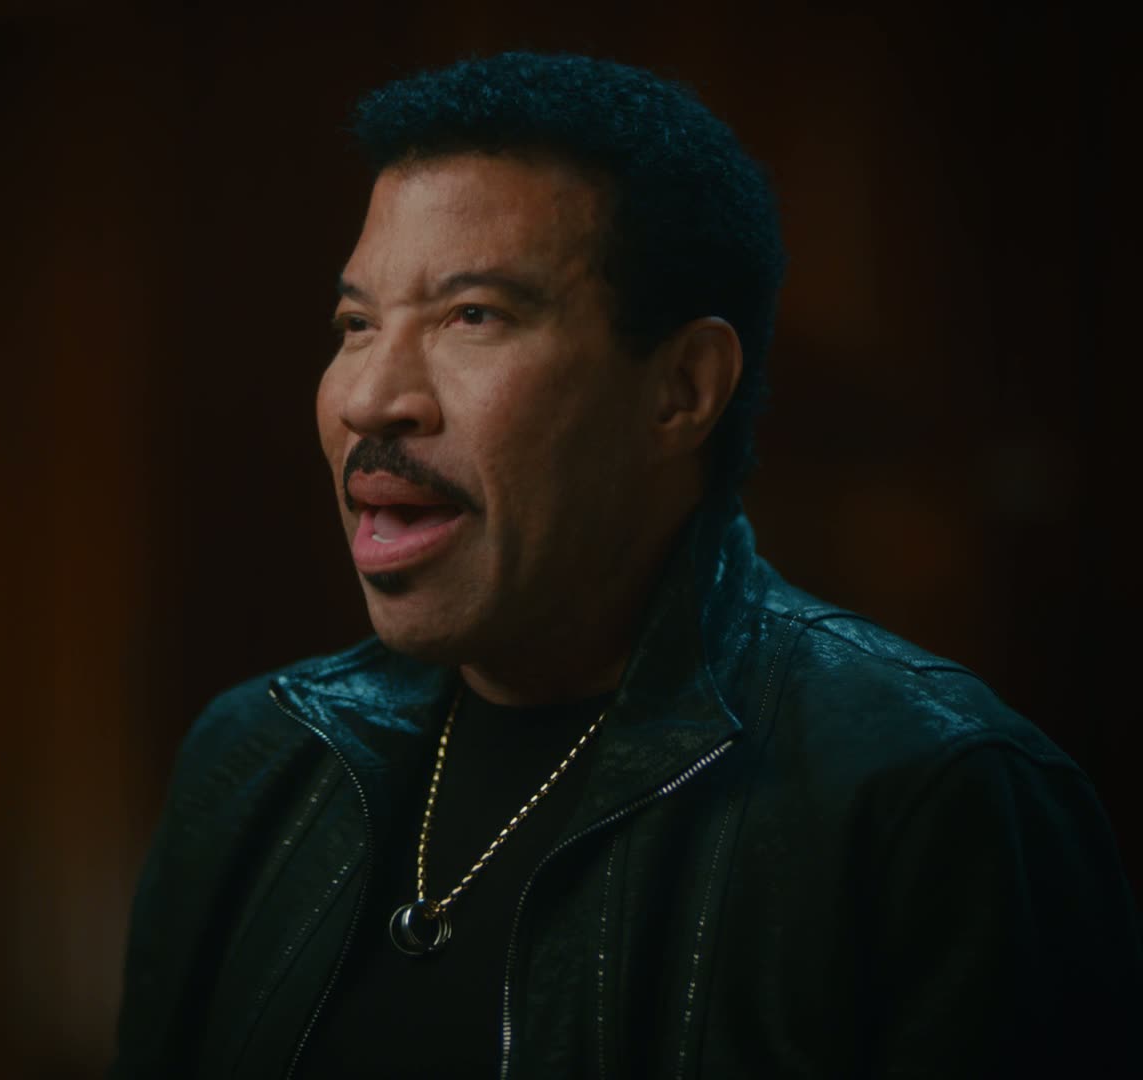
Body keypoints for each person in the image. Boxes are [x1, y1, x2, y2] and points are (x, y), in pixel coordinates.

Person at [111, 52, 1142, 1078]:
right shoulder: (256, 760)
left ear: (682, 389)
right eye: (356, 324)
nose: (373, 399)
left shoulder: (934, 798)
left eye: (474, 316)